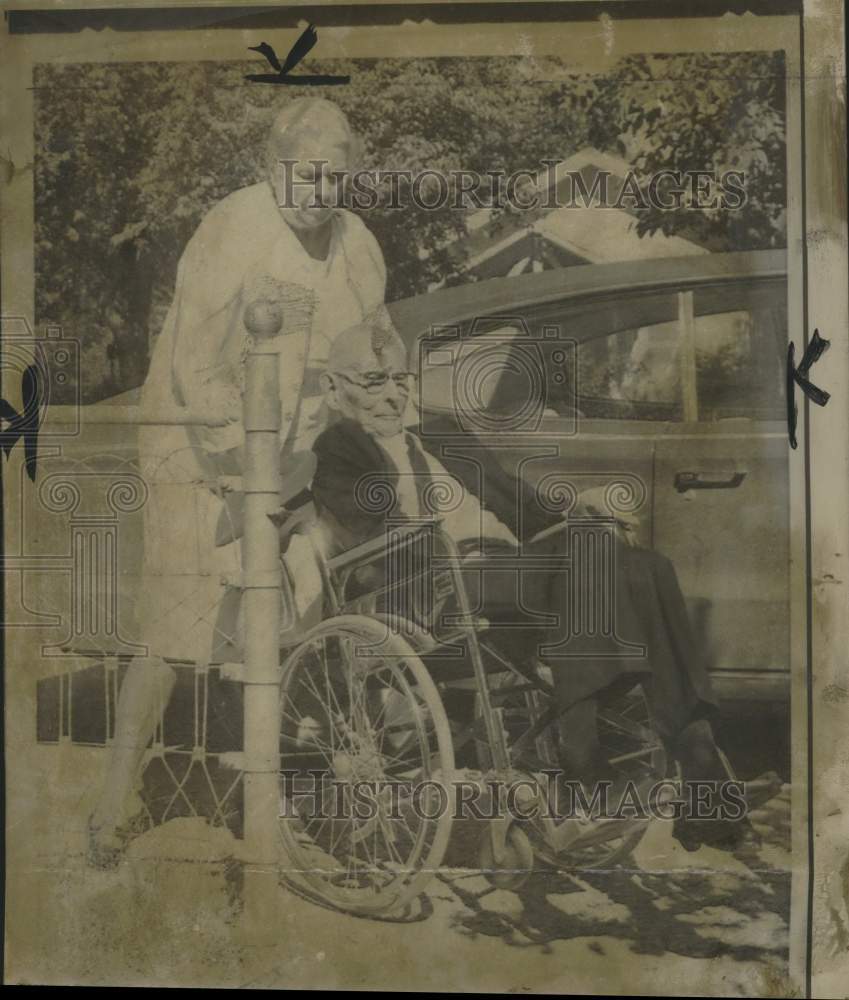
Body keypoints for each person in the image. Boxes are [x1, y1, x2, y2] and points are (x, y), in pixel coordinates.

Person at [310, 316, 750, 851]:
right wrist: (429, 527)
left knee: (645, 567)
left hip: (512, 569)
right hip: (441, 582)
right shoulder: (340, 448)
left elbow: (521, 502)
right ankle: (584, 762)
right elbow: (365, 526)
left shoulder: (443, 435)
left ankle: (701, 769)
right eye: (372, 380)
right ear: (335, 390)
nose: (392, 395)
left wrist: (575, 507)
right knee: (587, 562)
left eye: (400, 379)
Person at [87, 98, 387, 865]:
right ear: (269, 169)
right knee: (178, 624)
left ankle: (281, 799)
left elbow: (366, 347)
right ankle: (113, 802)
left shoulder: (356, 246)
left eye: (335, 177)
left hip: (297, 448)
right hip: (199, 449)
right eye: (304, 175)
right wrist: (236, 473)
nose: (319, 193)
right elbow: (198, 371)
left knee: (302, 603)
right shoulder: (232, 232)